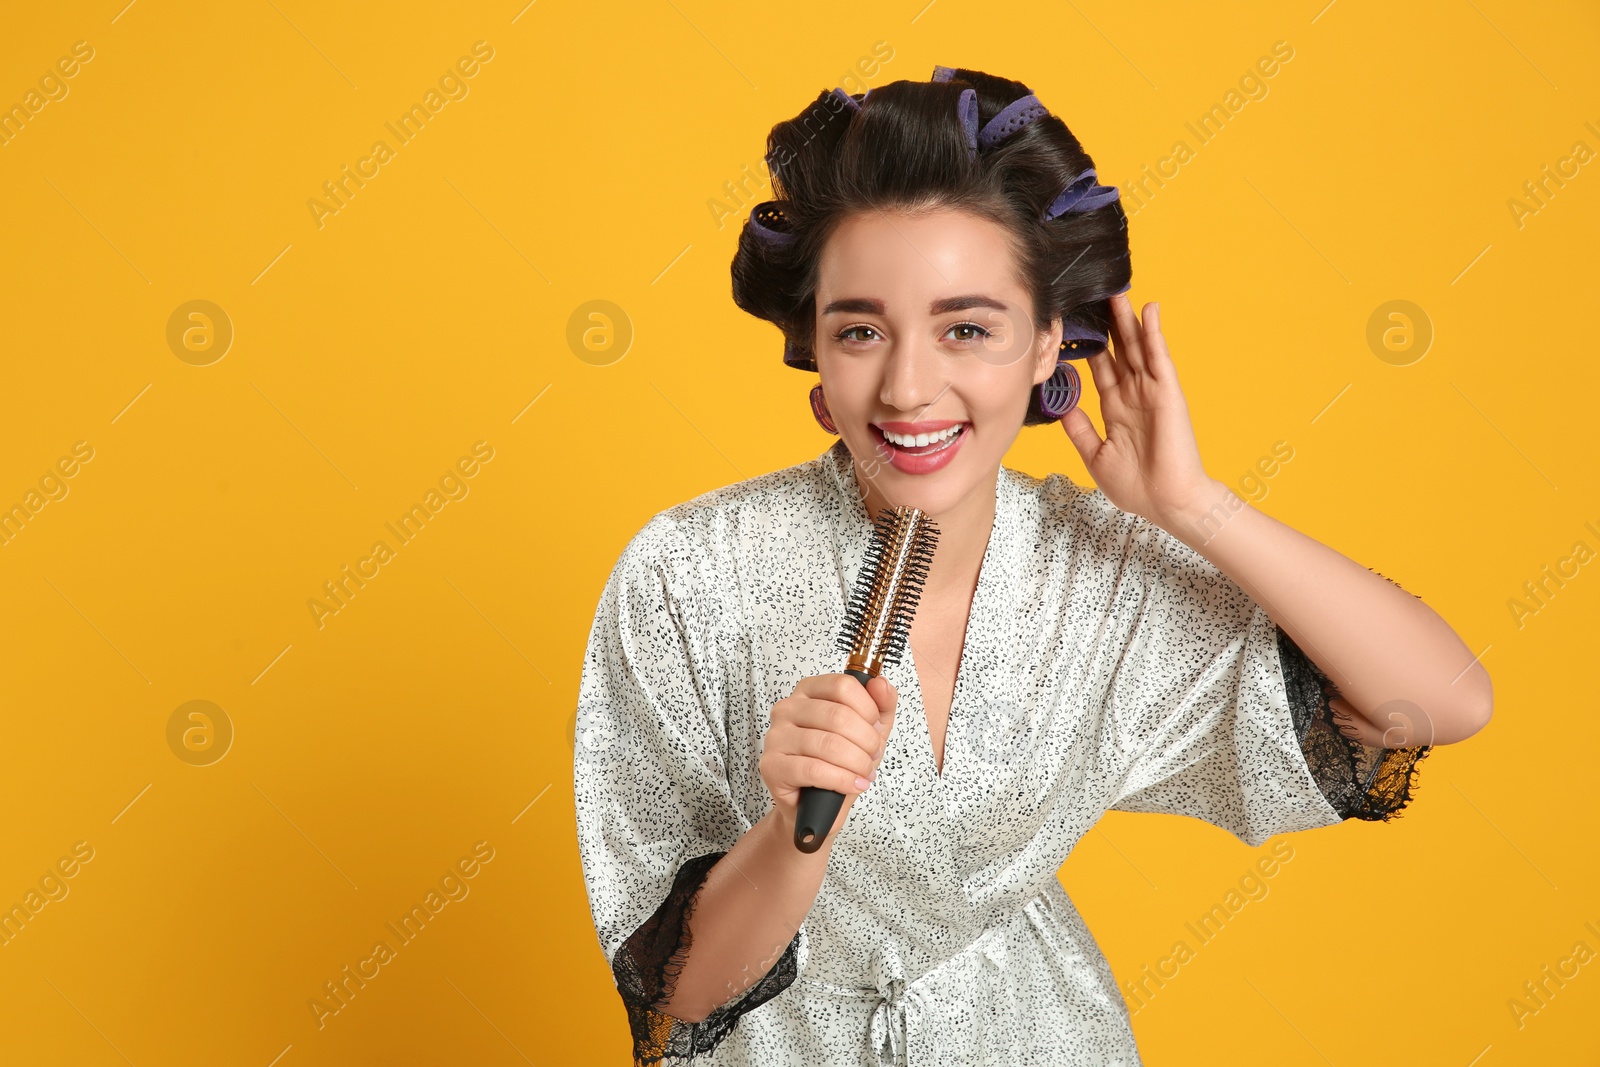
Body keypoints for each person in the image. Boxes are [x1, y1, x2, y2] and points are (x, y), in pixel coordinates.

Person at [573, 65, 1492, 1066]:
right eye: (860, 331)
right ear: (815, 353)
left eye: (966, 327)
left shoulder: (1097, 576)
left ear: (1047, 341)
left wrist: (1193, 507)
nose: (910, 386)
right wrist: (796, 825)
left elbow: (1438, 701)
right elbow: (682, 996)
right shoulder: (686, 574)